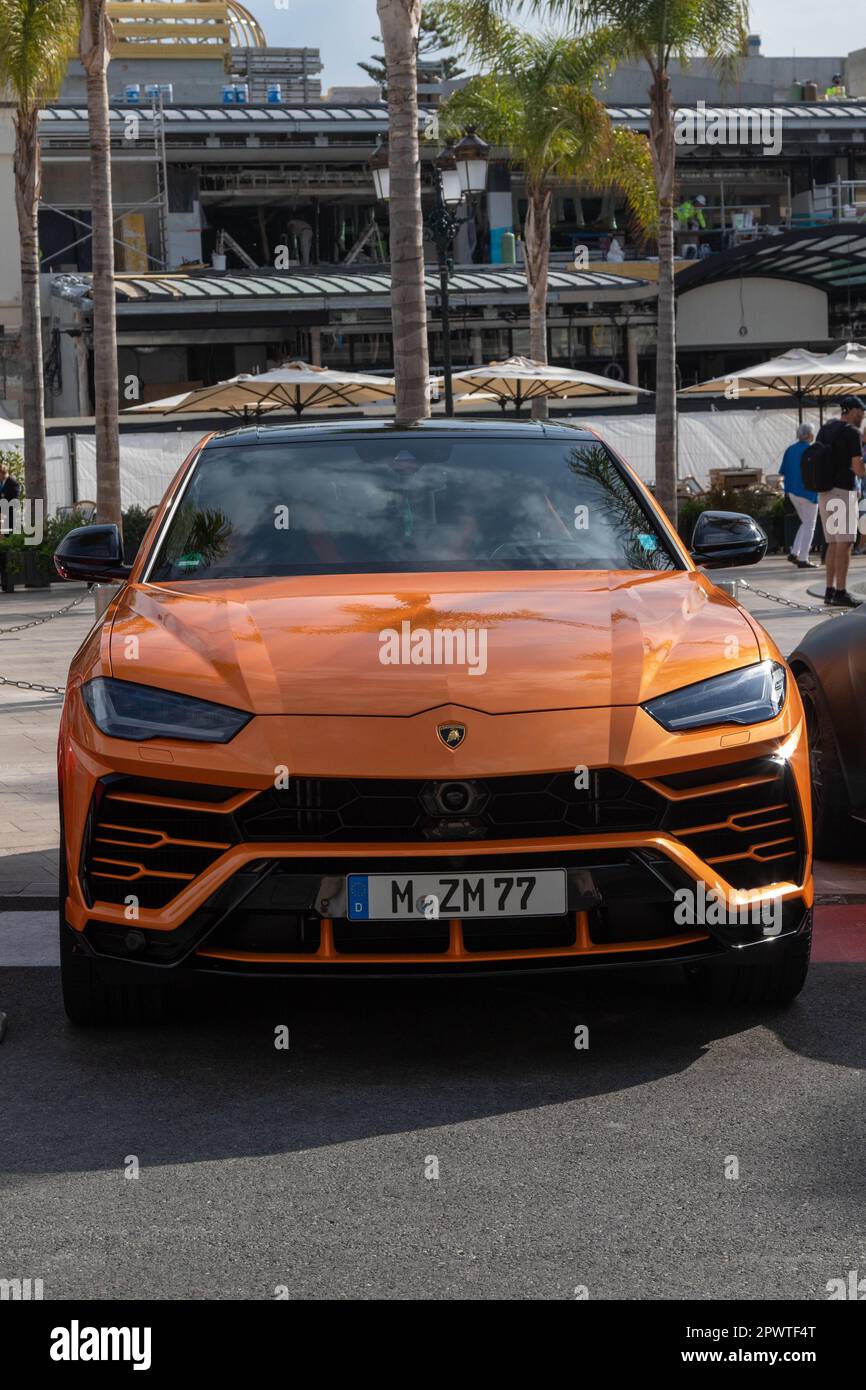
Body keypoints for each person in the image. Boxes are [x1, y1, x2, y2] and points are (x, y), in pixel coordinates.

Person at [815, 395, 865, 607]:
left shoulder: (825, 429)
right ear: (852, 411)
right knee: (845, 543)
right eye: (861, 412)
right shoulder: (852, 433)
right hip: (843, 491)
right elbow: (857, 468)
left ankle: (829, 590)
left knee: (833, 543)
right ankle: (841, 591)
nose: (862, 416)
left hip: (824, 492)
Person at [779, 423, 819, 569]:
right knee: (810, 524)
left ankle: (794, 552)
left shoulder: (790, 449)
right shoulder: (812, 450)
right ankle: (803, 558)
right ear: (810, 435)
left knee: (805, 522)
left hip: (792, 492)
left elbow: (782, 471)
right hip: (808, 492)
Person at [0, 463, 20, 593]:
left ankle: (7, 579)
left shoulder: (12, 483)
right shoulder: (2, 483)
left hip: (8, 518)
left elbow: (13, 501)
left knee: (7, 545)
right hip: (2, 517)